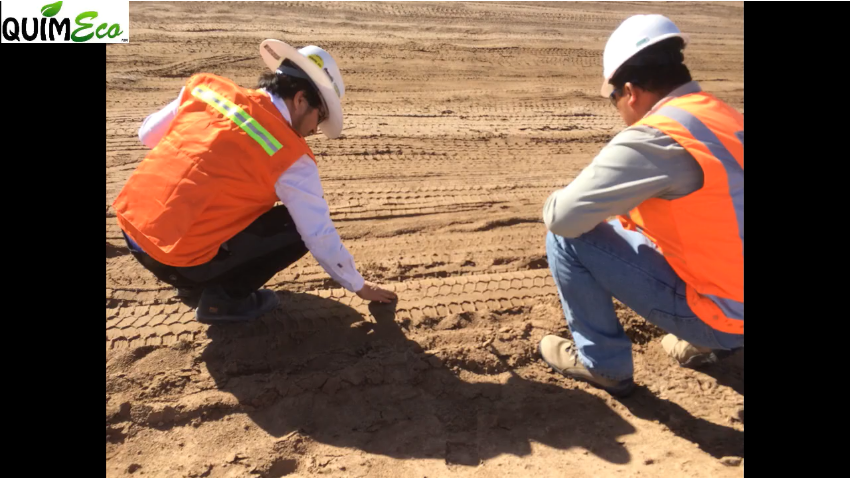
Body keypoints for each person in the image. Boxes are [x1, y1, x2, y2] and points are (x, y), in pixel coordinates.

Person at [111, 39, 397, 323]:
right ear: (300, 100)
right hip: (177, 261)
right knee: (295, 227)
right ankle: (222, 301)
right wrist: (358, 285)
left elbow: (147, 136)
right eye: (320, 117)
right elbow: (318, 233)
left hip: (131, 227)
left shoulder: (208, 89)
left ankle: (190, 281)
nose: (316, 130)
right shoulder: (292, 158)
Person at [537, 15, 743, 397]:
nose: (617, 109)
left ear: (630, 92)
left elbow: (563, 217)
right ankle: (703, 339)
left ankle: (604, 366)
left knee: (566, 239)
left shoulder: (657, 136)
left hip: (729, 317)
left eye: (613, 98)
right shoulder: (724, 116)